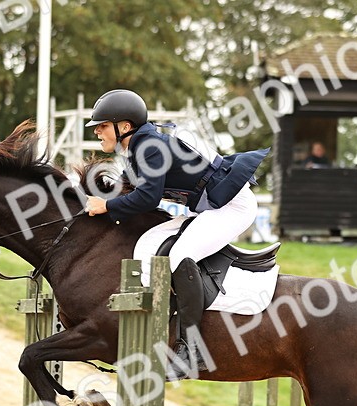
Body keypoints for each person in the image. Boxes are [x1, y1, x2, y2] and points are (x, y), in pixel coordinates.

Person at [84, 89, 269, 380]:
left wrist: (106, 205)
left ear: (125, 126)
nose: (97, 131)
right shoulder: (139, 147)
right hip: (207, 207)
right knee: (149, 245)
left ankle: (191, 351)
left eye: (103, 125)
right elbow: (125, 187)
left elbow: (146, 198)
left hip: (233, 207)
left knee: (179, 256)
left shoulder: (149, 147)